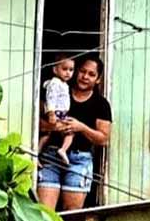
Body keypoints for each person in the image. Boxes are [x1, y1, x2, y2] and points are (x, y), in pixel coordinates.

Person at [37, 55, 111, 211]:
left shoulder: (101, 104)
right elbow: (37, 123)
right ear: (76, 71)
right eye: (82, 71)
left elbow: (104, 139)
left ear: (98, 79)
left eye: (91, 74)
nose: (85, 77)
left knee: (72, 215)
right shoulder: (59, 91)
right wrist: (55, 127)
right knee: (44, 213)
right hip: (51, 157)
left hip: (79, 161)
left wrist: (81, 127)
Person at [36, 55, 75, 166]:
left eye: (71, 70)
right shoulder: (55, 83)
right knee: (69, 132)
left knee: (47, 135)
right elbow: (51, 98)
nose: (68, 73)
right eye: (64, 69)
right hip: (57, 113)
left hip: (62, 113)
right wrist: (51, 113)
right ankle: (62, 150)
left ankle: (37, 154)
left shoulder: (64, 84)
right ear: (55, 69)